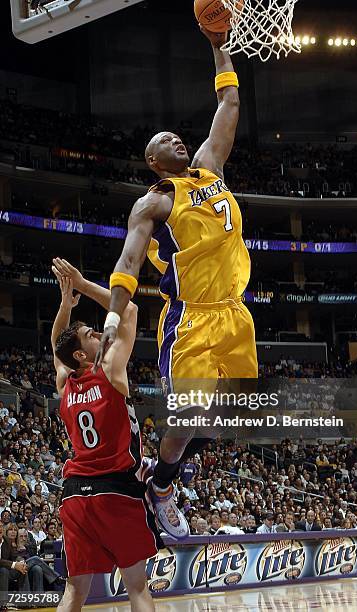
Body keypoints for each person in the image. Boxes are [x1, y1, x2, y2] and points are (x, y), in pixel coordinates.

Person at [93, 25, 258, 540]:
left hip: (235, 311)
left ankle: (163, 470)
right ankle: (161, 486)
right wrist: (114, 318)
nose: (176, 137)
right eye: (164, 139)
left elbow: (229, 102)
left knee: (231, 420)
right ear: (152, 160)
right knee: (186, 418)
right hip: (192, 318)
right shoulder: (155, 201)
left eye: (177, 134)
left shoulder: (211, 169)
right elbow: (128, 260)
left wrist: (218, 45)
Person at [50, 261, 162, 611]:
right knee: (138, 590)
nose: (99, 333)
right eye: (91, 335)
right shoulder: (110, 370)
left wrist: (65, 308)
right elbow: (128, 309)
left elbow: (57, 346)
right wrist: (82, 284)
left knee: (74, 591)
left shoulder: (66, 382)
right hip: (116, 490)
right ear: (82, 355)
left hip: (76, 496)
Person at [0, 523, 29, 595]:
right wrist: (14, 564)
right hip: (3, 569)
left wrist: (21, 562)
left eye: (1, 527)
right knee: (4, 570)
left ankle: (24, 600)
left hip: (7, 569)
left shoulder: (6, 540)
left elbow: (14, 556)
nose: (0, 529)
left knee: (22, 568)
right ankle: (3, 603)